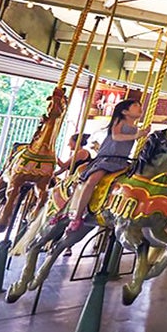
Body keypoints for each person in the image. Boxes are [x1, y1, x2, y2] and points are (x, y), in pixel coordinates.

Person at [60, 99, 149, 232]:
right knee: (92, 181)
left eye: (140, 106)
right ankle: (77, 216)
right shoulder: (119, 122)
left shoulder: (136, 128)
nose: (140, 107)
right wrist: (137, 135)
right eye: (135, 105)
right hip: (107, 159)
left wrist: (144, 135)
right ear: (124, 111)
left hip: (122, 161)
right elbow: (116, 136)